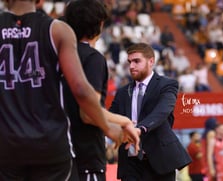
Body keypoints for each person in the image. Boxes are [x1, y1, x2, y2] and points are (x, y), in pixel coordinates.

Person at [0, 0, 138, 180]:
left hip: (7, 143)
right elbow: (81, 89)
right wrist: (108, 127)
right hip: (50, 143)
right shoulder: (56, 31)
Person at [62, 0, 140, 181]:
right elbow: (88, 113)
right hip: (85, 157)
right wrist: (123, 121)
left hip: (58, 154)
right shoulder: (92, 58)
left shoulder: (57, 54)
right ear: (100, 24)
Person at [109, 42, 192, 181]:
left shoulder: (167, 84)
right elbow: (110, 118)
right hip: (131, 162)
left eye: (136, 61)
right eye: (129, 62)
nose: (131, 66)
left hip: (160, 161)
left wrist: (140, 129)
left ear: (151, 61)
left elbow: (162, 111)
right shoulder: (122, 92)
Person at [201, 117, 218, 181]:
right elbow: (210, 152)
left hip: (205, 159)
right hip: (209, 160)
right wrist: (211, 168)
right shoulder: (211, 133)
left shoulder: (205, 133)